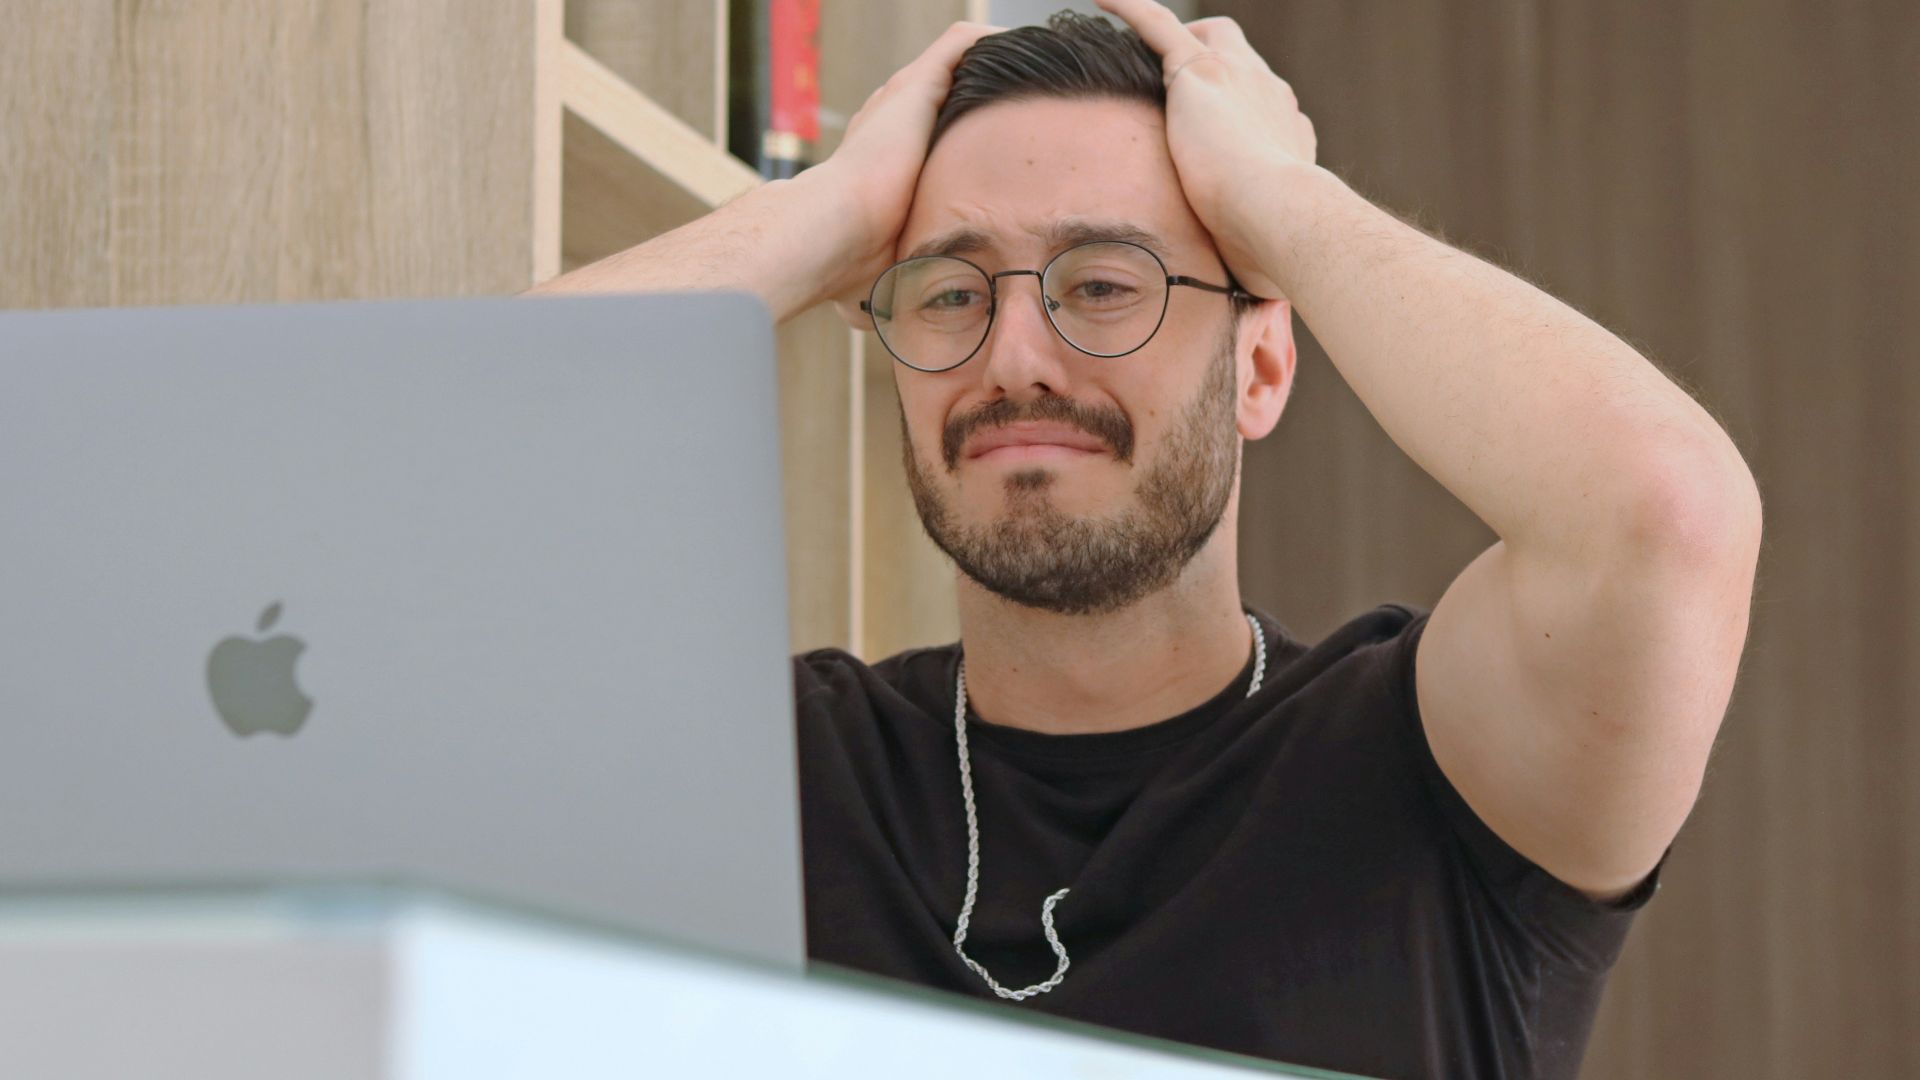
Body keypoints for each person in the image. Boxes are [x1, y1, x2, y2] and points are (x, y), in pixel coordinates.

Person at [528, 3, 1762, 1076]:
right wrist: (829, 211)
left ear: (1262, 366)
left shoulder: (1440, 780)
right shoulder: (777, 783)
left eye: (1106, 284)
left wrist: (1283, 198)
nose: (1013, 358)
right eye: (952, 293)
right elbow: (394, 519)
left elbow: (1664, 513)